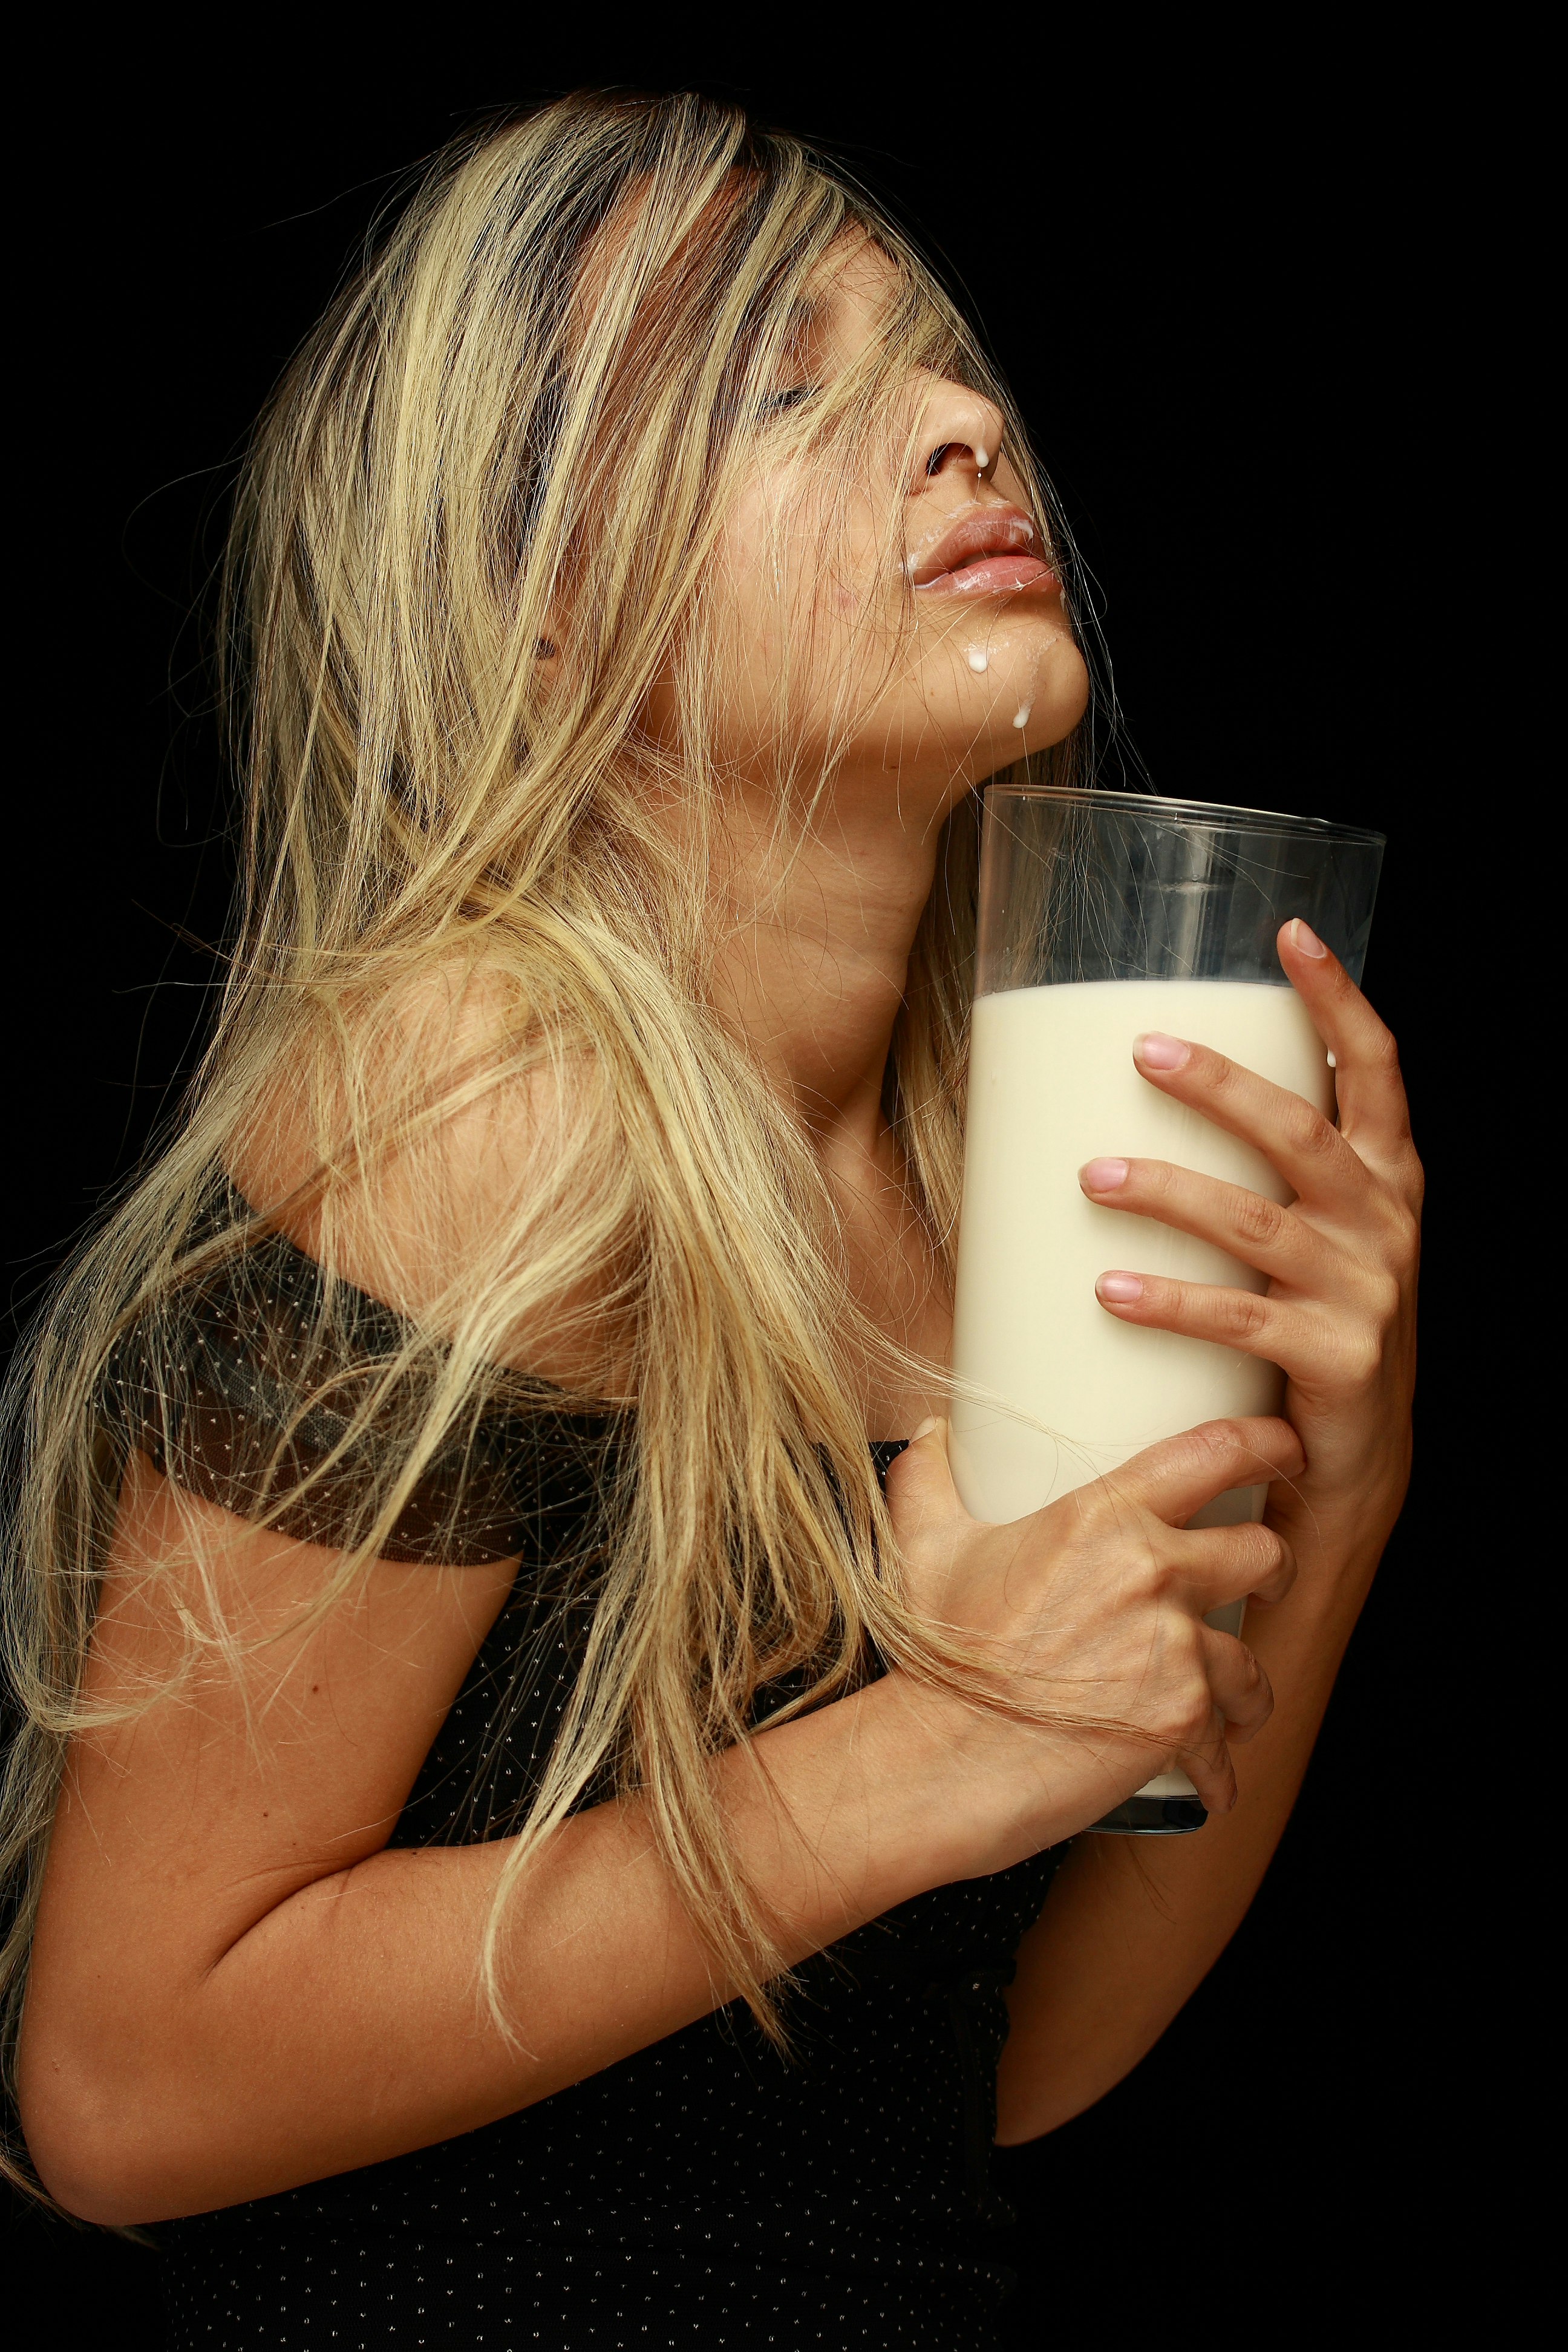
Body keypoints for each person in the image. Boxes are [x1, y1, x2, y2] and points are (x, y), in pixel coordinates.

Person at [2, 91, 1422, 2348]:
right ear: (540, 602)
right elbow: (118, 2080)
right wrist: (917, 1752)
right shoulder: (488, 1093)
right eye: (791, 388)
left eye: (946, 361)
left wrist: (1340, 1503)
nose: (965, 424)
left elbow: (987, 2080)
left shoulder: (997, 1161)